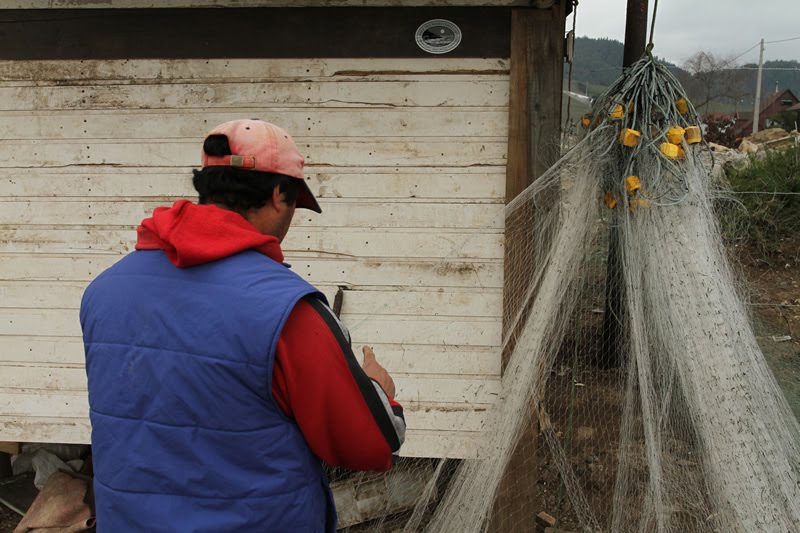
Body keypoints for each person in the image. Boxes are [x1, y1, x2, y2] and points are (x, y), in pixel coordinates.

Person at [80, 119, 405, 532]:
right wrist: (379, 391)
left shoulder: (105, 291)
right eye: (293, 205)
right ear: (276, 195)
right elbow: (369, 443)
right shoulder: (290, 311)